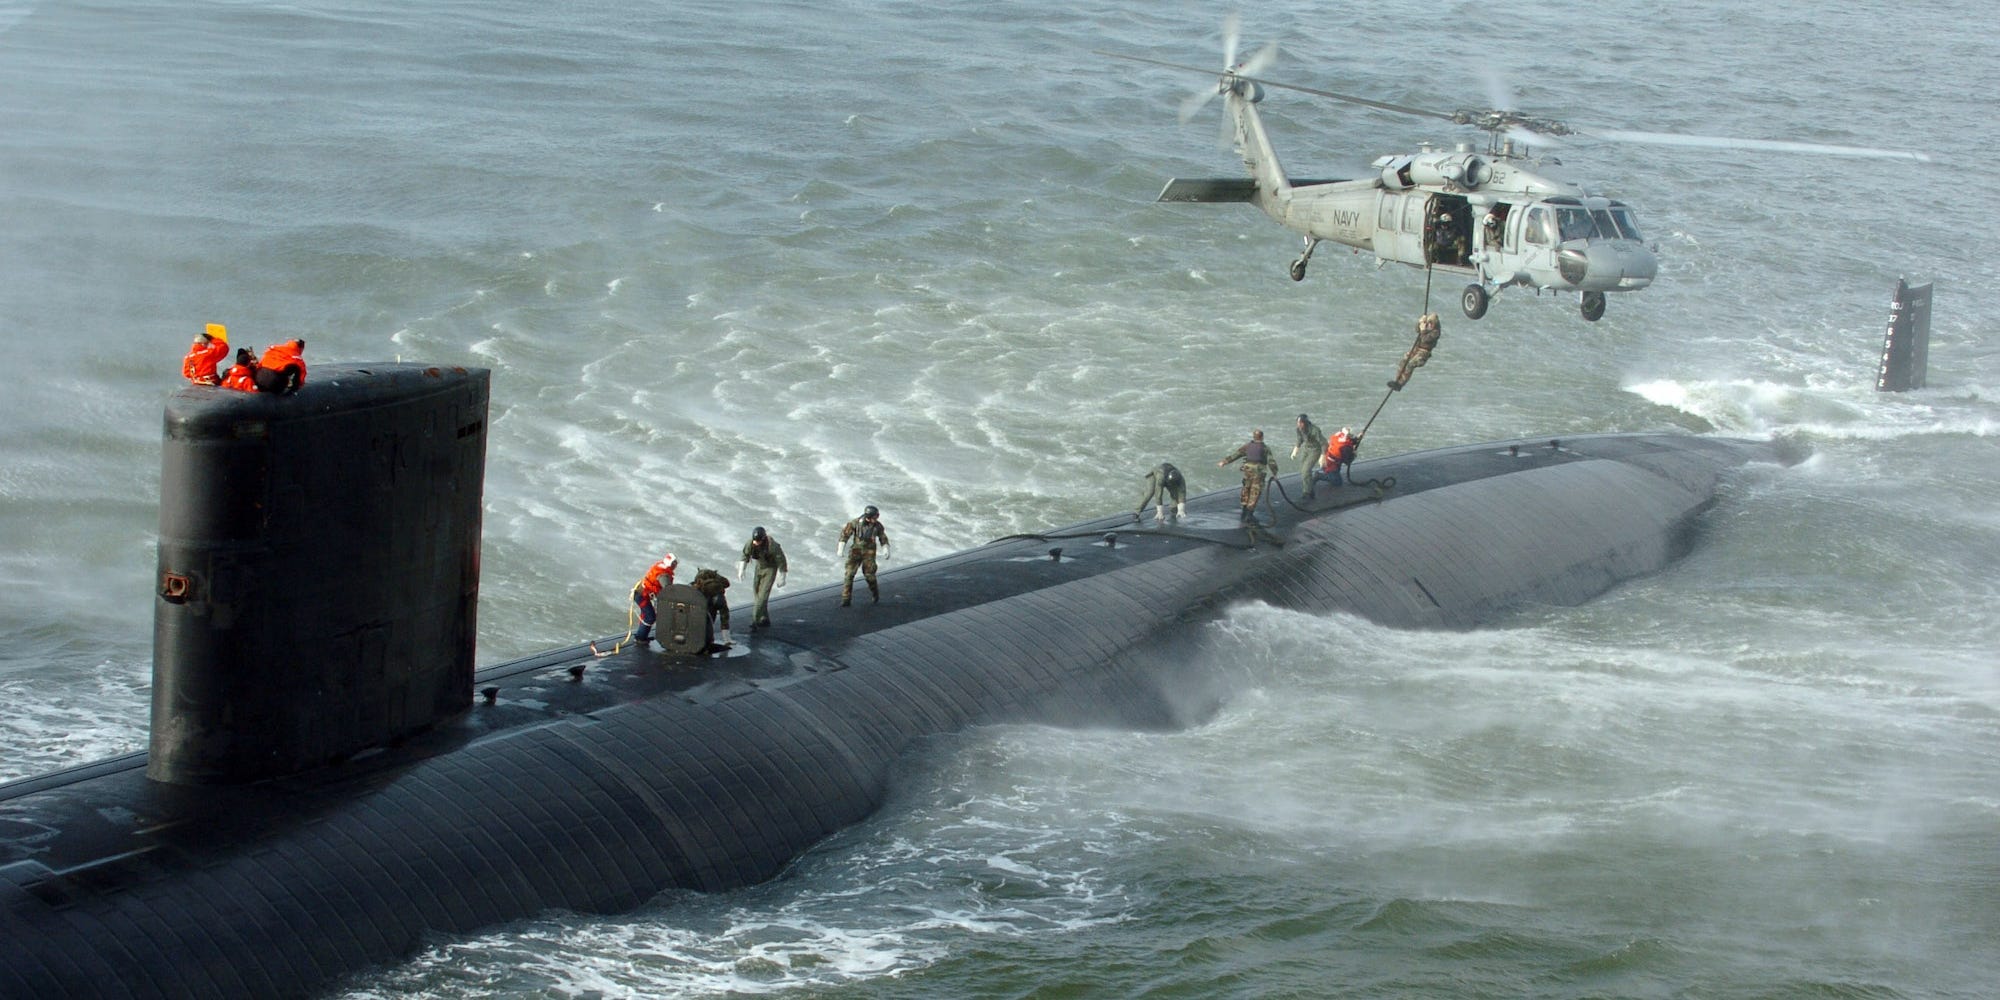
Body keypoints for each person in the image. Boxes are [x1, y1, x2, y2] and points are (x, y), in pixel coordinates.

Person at [1218, 430, 1276, 523]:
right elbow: (1271, 462)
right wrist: (1275, 473)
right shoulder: (1265, 448)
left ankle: (1244, 511)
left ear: (1254, 437)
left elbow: (1236, 454)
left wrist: (1224, 462)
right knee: (1255, 492)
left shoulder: (1248, 446)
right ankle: (1249, 515)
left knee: (1246, 489)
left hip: (1247, 471)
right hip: (1258, 473)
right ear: (1262, 437)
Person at [836, 505, 889, 606]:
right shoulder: (855, 523)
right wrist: (841, 547)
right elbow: (845, 535)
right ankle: (846, 599)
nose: (876, 519)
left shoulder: (877, 526)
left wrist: (885, 548)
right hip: (856, 552)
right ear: (868, 517)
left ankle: (875, 593)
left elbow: (883, 537)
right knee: (849, 575)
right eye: (874, 517)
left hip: (869, 553)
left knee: (870, 576)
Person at [737, 526, 788, 629]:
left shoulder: (772, 546)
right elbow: (745, 555)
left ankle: (755, 620)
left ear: (763, 539)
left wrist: (782, 577)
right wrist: (741, 570)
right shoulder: (751, 543)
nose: (756, 543)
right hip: (759, 567)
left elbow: (781, 561)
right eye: (755, 540)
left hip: (770, 569)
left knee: (762, 597)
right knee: (756, 593)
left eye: (758, 541)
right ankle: (764, 618)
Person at [629, 553, 677, 647]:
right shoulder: (663, 575)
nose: (675, 565)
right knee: (650, 617)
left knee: (646, 615)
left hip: (642, 593)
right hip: (641, 595)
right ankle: (640, 638)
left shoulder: (660, 567)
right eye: (674, 563)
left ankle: (641, 635)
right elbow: (667, 589)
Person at [1389, 314, 1441, 391]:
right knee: (1404, 361)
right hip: (1416, 349)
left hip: (1423, 353)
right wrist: (1420, 322)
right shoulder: (1427, 326)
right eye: (1429, 323)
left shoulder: (1435, 333)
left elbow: (1424, 339)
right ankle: (1397, 380)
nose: (1429, 325)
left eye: (1431, 323)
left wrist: (1423, 330)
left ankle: (1401, 384)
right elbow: (1417, 330)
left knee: (1410, 364)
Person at [689, 567, 732, 647]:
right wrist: (726, 636)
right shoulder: (718, 593)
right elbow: (724, 614)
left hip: (699, 601)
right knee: (709, 621)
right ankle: (709, 640)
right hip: (710, 602)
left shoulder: (695, 585)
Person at [1291, 413, 1326, 495]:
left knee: (1305, 471)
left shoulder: (1314, 430)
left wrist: (1322, 456)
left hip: (1315, 450)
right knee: (1303, 469)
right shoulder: (1299, 429)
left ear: (1305, 423)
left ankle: (1306, 492)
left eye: (1301, 423)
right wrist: (1295, 450)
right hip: (1307, 449)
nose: (1299, 424)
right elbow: (1300, 439)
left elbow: (1324, 443)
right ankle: (1310, 490)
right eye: (1298, 423)